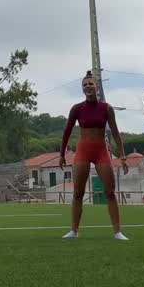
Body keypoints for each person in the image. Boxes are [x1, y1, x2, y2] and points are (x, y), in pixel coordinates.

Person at [59, 70, 128, 240]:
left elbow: (116, 132)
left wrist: (123, 157)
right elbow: (67, 132)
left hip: (101, 151)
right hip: (83, 149)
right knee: (78, 193)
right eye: (84, 85)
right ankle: (74, 231)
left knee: (110, 192)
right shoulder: (77, 108)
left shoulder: (106, 108)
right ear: (82, 89)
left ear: (97, 87)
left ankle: (117, 231)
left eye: (90, 84)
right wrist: (61, 154)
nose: (87, 86)